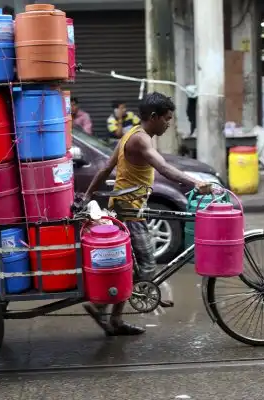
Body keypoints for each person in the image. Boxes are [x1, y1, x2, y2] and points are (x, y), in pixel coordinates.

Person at [81, 92, 212, 336]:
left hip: (126, 206)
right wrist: (196, 182)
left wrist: (88, 196)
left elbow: (106, 169)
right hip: (129, 209)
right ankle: (101, 307)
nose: (169, 123)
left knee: (131, 265)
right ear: (154, 117)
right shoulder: (140, 140)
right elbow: (164, 167)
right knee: (148, 266)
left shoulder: (130, 134)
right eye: (167, 118)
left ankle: (116, 319)